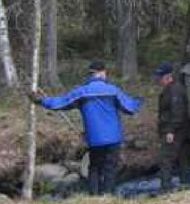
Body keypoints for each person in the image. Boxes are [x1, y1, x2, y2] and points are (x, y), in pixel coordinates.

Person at [30, 62, 142, 195]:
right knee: (110, 168)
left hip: (94, 139)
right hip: (113, 138)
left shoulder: (81, 92)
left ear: (90, 74)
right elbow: (130, 107)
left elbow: (60, 103)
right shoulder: (112, 90)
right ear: (102, 73)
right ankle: (108, 195)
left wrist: (41, 101)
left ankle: (94, 195)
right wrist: (139, 100)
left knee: (94, 167)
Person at [155, 61, 190, 192]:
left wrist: (170, 130)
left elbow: (178, 112)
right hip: (181, 129)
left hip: (176, 130)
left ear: (167, 76)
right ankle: (185, 185)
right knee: (182, 158)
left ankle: (166, 188)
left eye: (160, 77)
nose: (158, 80)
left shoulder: (175, 90)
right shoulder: (172, 89)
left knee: (166, 159)